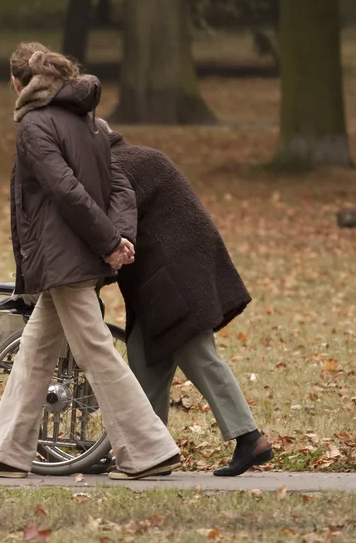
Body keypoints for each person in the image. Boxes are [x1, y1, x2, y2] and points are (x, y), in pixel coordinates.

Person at [0, 42, 181, 480]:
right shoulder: (93, 124)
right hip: (77, 256)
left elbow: (65, 191)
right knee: (35, 354)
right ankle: (5, 452)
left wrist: (108, 242)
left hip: (63, 258)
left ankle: (149, 450)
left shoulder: (34, 126)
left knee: (97, 352)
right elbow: (121, 186)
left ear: (17, 82)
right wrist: (118, 238)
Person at [98, 119, 273, 477]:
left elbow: (111, 227)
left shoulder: (118, 167)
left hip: (175, 274)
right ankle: (151, 449)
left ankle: (249, 437)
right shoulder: (137, 158)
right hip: (168, 272)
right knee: (146, 355)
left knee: (196, 352)